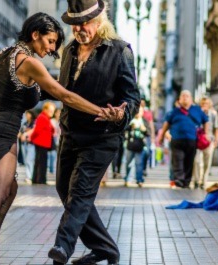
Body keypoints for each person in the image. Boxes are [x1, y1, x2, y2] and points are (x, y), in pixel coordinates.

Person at [0, 12, 107, 265]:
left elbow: (45, 93)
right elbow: (63, 95)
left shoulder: (8, 54)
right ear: (35, 34)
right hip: (0, 127)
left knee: (9, 190)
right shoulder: (29, 63)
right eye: (49, 41)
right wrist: (101, 111)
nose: (51, 48)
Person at [47, 1, 140, 264]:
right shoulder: (69, 51)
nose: (78, 28)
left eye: (84, 23)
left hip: (102, 138)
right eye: (74, 23)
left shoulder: (120, 50)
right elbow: (64, 93)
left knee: (80, 193)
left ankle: (62, 247)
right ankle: (106, 249)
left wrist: (122, 114)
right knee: (64, 189)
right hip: (70, 134)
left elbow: (132, 97)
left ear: (100, 20)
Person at [157, 90, 208, 189]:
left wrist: (205, 134)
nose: (185, 97)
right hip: (177, 140)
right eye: (183, 96)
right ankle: (179, 181)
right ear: (179, 99)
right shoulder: (174, 111)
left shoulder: (197, 110)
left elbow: (206, 121)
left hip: (192, 140)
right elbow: (166, 124)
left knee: (189, 161)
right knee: (178, 160)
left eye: (187, 96)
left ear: (191, 99)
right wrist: (161, 136)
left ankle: (186, 181)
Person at [192, 97, 218, 189]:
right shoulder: (196, 113)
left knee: (207, 162)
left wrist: (216, 140)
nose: (205, 105)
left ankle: (204, 181)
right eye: (203, 104)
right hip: (198, 139)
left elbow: (216, 128)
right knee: (196, 161)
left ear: (210, 104)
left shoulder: (214, 114)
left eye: (206, 103)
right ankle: (196, 180)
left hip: (209, 139)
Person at [30, 101, 56, 184]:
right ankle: (41, 180)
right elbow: (37, 130)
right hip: (41, 143)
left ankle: (36, 179)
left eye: (53, 111)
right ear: (45, 109)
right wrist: (31, 138)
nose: (52, 112)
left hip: (43, 143)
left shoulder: (45, 117)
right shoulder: (42, 117)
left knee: (39, 162)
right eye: (51, 110)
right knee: (42, 163)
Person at [124, 106, 148, 187]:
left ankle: (139, 179)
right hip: (130, 145)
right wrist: (130, 126)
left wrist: (144, 129)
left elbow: (148, 133)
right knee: (128, 163)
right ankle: (127, 179)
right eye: (137, 111)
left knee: (139, 163)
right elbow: (124, 129)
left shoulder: (144, 121)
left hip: (140, 146)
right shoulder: (130, 120)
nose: (138, 113)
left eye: (140, 111)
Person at [19, 110, 36, 183]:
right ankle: (28, 175)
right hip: (23, 143)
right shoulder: (25, 123)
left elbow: (34, 130)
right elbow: (20, 131)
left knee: (30, 160)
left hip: (31, 143)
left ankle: (30, 176)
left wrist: (25, 134)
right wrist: (20, 135)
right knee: (26, 160)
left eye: (28, 114)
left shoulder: (34, 122)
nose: (27, 116)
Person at [141, 99, 156, 175]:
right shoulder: (136, 112)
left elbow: (151, 125)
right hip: (138, 137)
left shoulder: (148, 113)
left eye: (143, 103)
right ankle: (139, 170)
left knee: (146, 153)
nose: (142, 104)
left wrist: (153, 137)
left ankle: (144, 168)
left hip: (147, 136)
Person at [48, 108, 61, 175]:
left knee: (58, 155)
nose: (58, 114)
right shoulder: (52, 121)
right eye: (57, 113)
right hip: (53, 139)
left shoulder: (61, 121)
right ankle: (52, 169)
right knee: (52, 155)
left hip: (60, 139)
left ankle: (56, 169)